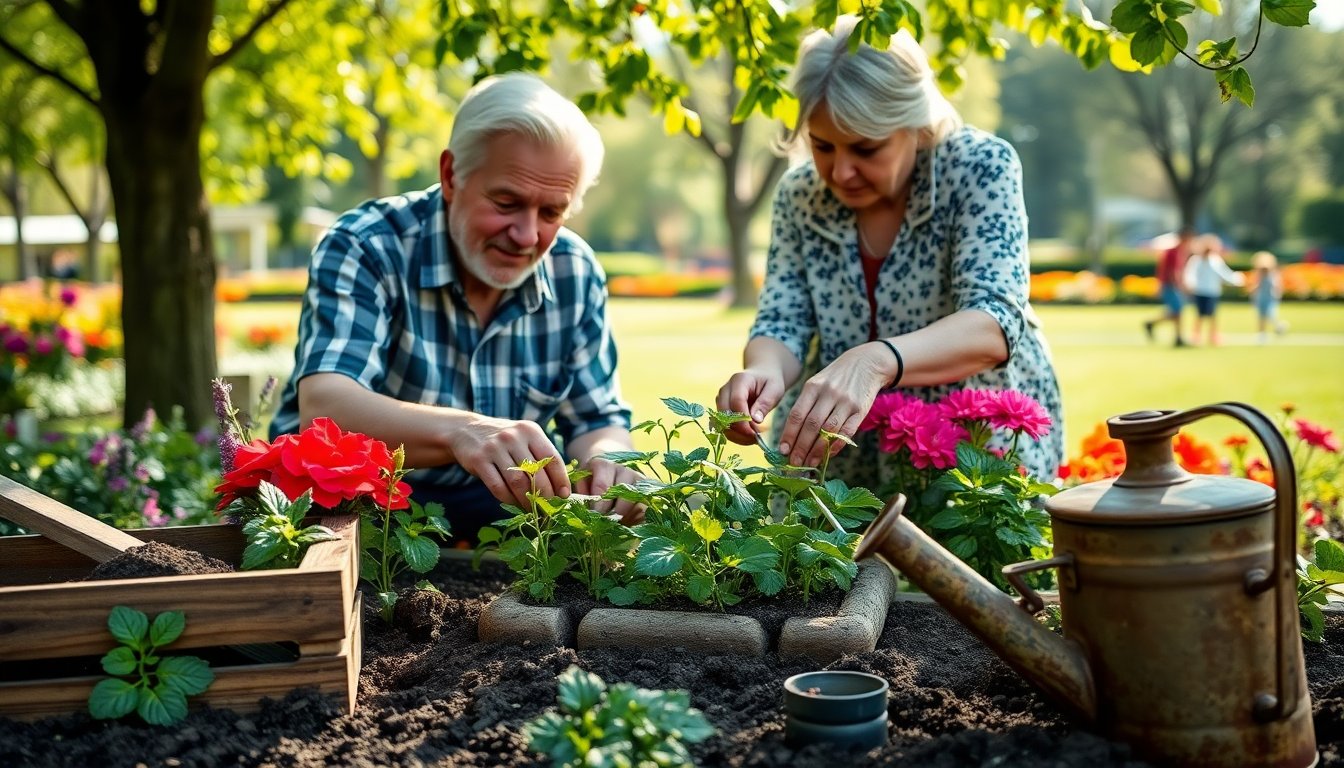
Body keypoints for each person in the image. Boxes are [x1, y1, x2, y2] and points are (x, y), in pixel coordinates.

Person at [269, 73, 643, 541]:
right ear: (451, 175)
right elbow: (327, 409)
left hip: (491, 518)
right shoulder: (367, 245)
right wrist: (464, 432)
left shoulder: (576, 271)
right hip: (345, 505)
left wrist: (609, 458)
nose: (527, 235)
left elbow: (595, 418)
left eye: (551, 213)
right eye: (507, 202)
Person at [715, 18, 1064, 487]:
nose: (841, 172)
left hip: (970, 454)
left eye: (866, 148)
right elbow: (783, 321)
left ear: (915, 125)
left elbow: (994, 322)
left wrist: (875, 361)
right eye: (822, 146)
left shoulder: (979, 168)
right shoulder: (799, 194)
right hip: (837, 457)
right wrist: (763, 371)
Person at [1182, 234, 1244, 347]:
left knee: (1212, 315)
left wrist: (1236, 280)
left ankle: (1213, 336)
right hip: (1200, 291)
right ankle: (1196, 336)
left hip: (1212, 291)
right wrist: (1190, 284)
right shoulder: (1196, 260)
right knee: (1200, 315)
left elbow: (1224, 273)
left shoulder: (1215, 260)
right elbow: (1190, 273)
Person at [1143, 228, 1194, 347]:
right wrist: (1181, 286)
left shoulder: (1178, 252)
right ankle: (1178, 337)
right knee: (1177, 311)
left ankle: (1153, 324)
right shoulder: (1173, 252)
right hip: (1170, 285)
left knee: (1176, 311)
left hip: (1170, 285)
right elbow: (1173, 272)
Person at [1249, 250, 1287, 343]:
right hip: (1260, 298)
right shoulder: (1259, 274)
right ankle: (1262, 334)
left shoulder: (1273, 274)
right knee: (1261, 317)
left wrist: (1278, 293)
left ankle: (1279, 326)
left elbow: (1277, 286)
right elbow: (1257, 285)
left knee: (1271, 315)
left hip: (1270, 298)